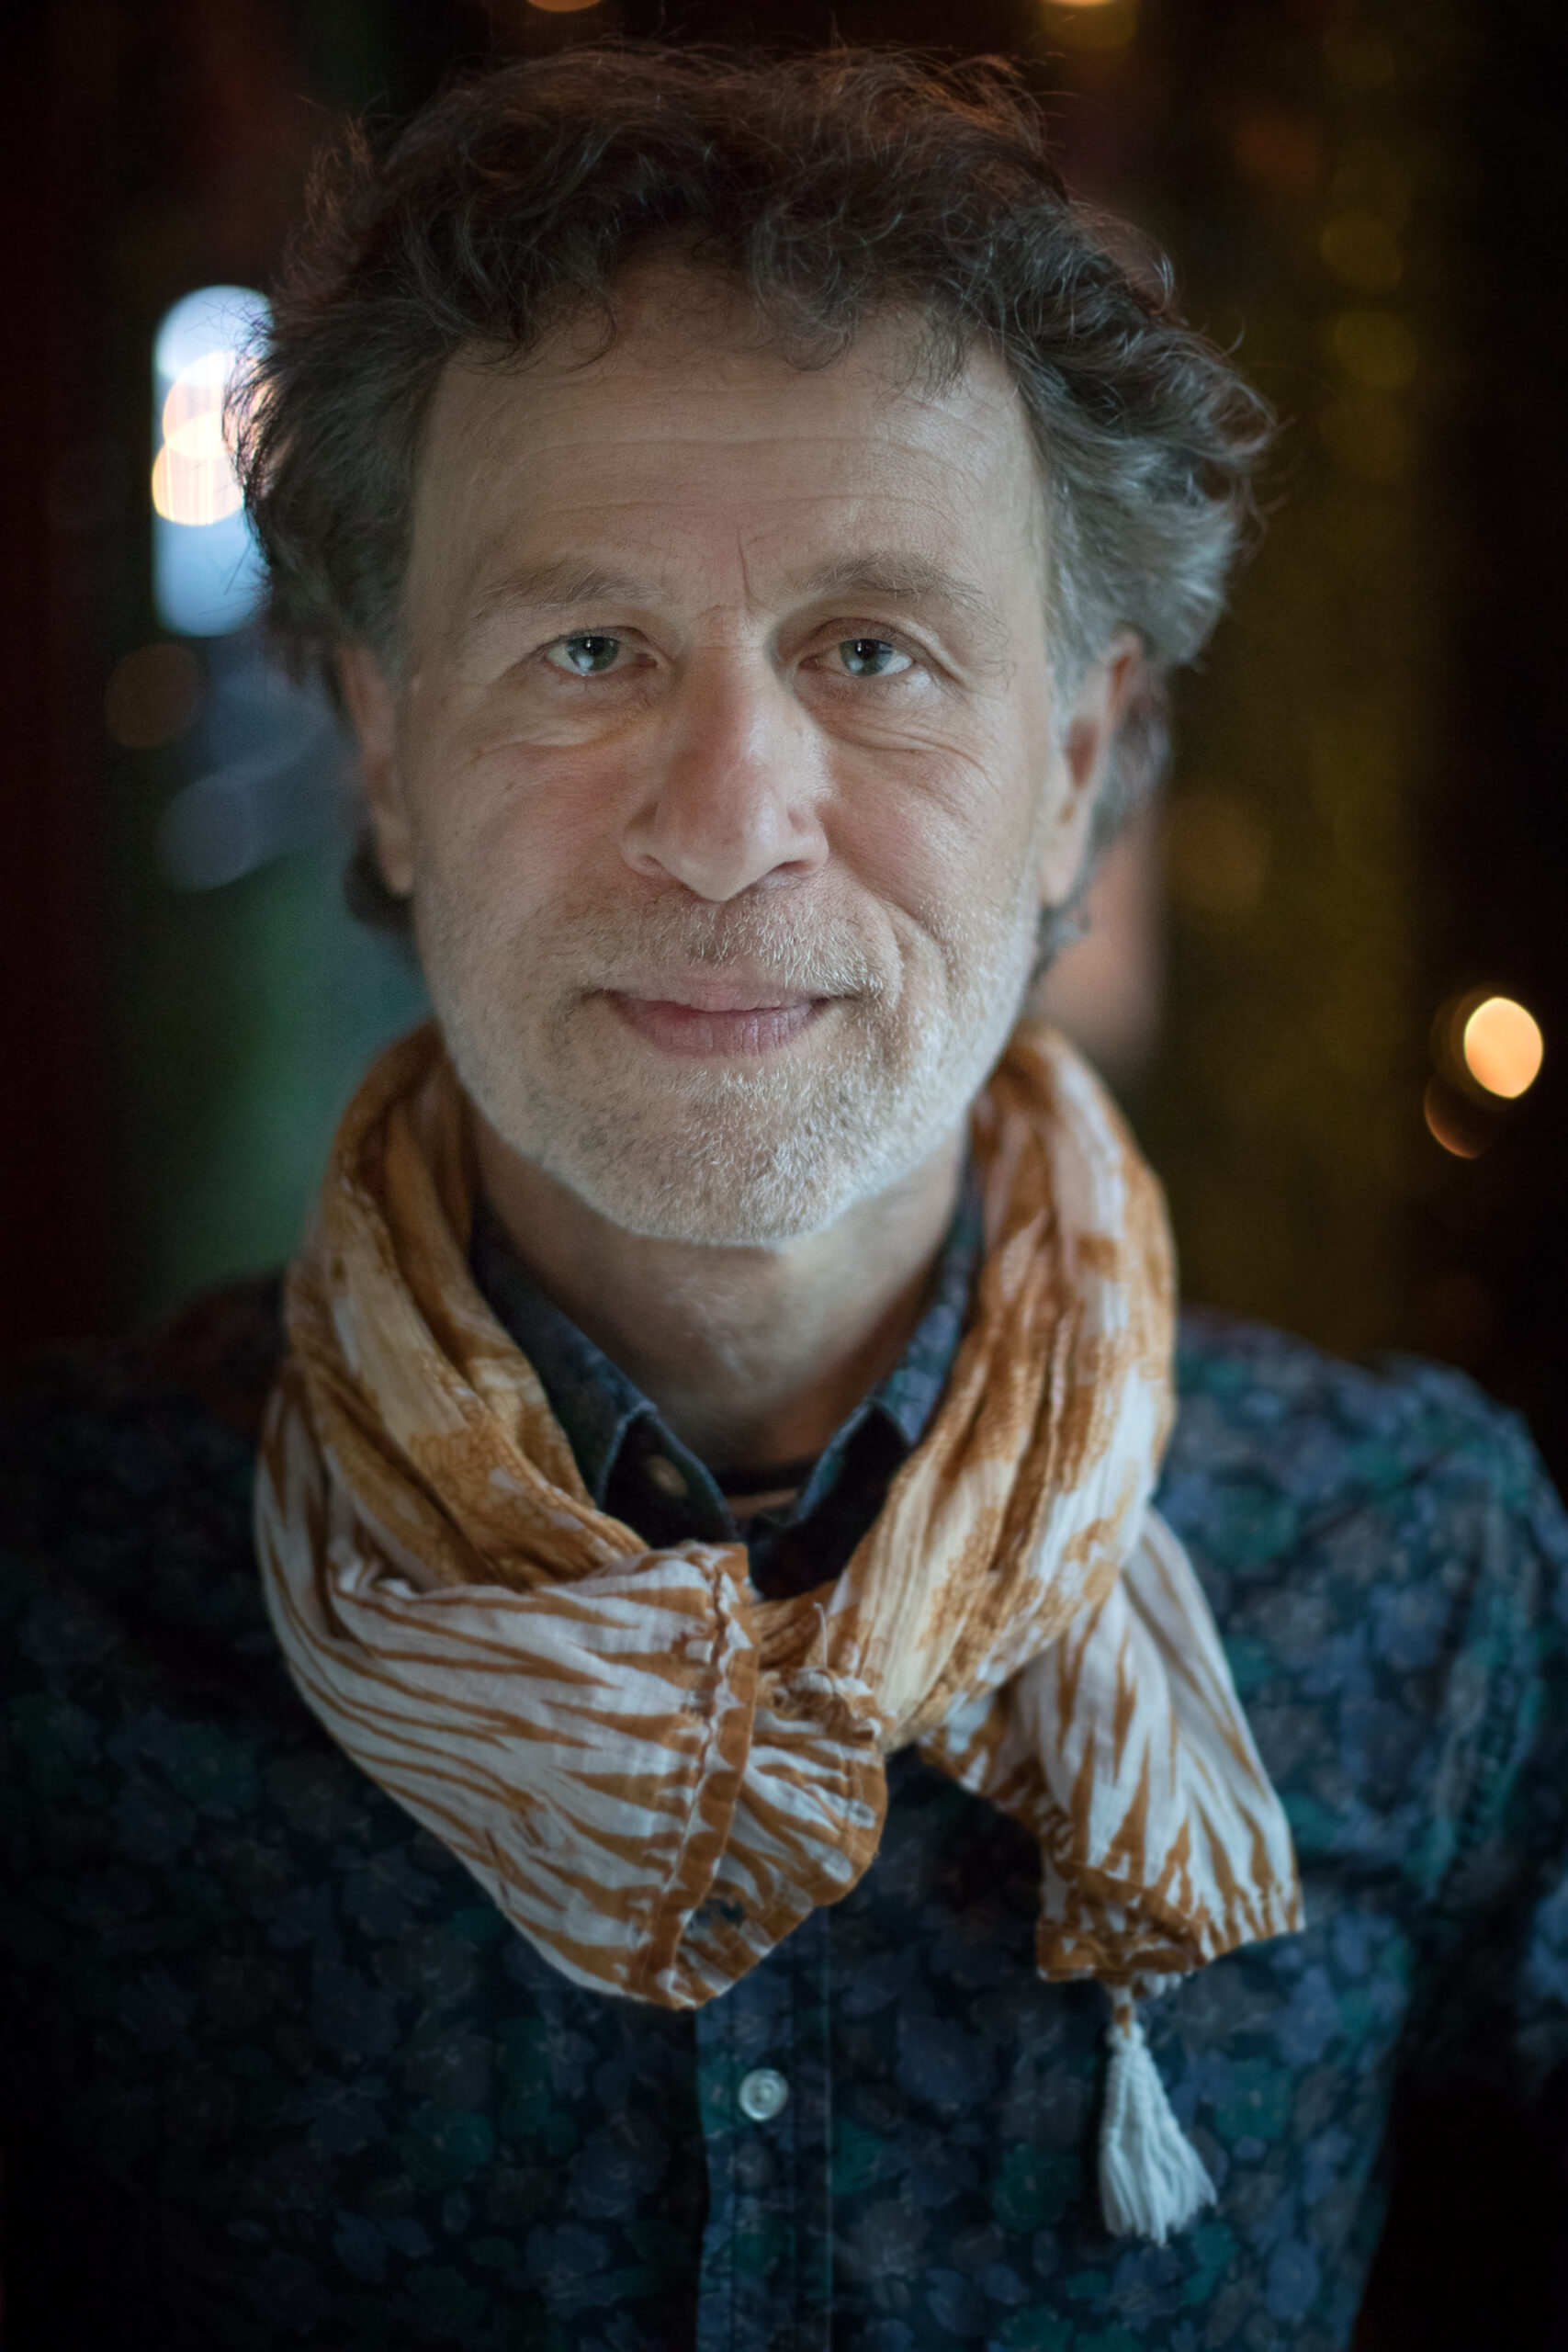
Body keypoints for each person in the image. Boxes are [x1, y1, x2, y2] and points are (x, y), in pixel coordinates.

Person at [1, 46, 1563, 2352]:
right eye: (587, 647)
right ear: (386, 746)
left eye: (868, 650)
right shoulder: (52, 1611)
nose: (729, 822)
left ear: (1070, 765)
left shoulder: (1418, 1574)